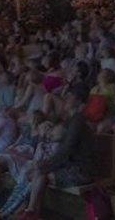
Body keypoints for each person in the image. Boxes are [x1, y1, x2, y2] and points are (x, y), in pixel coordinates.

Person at [20, 87, 93, 218]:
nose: (66, 99)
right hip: (69, 165)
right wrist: (45, 131)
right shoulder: (71, 120)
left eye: (70, 97)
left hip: (81, 171)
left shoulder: (78, 121)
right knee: (37, 171)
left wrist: (46, 164)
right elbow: (54, 136)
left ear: (78, 102)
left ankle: (30, 211)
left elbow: (67, 149)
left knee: (41, 174)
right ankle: (30, 211)